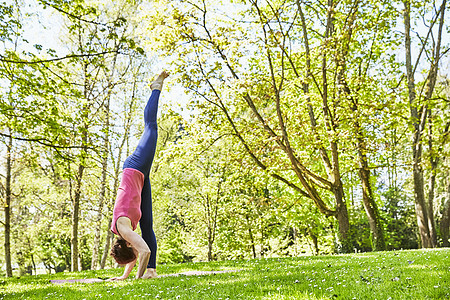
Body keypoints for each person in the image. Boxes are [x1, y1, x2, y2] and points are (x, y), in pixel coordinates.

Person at [108, 71, 169, 280]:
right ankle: (151, 271)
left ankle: (156, 88)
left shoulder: (124, 230)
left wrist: (135, 280)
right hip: (140, 180)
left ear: (127, 243)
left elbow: (143, 251)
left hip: (134, 168)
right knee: (147, 225)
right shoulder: (123, 234)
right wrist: (124, 277)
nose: (135, 248)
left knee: (151, 127)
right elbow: (136, 253)